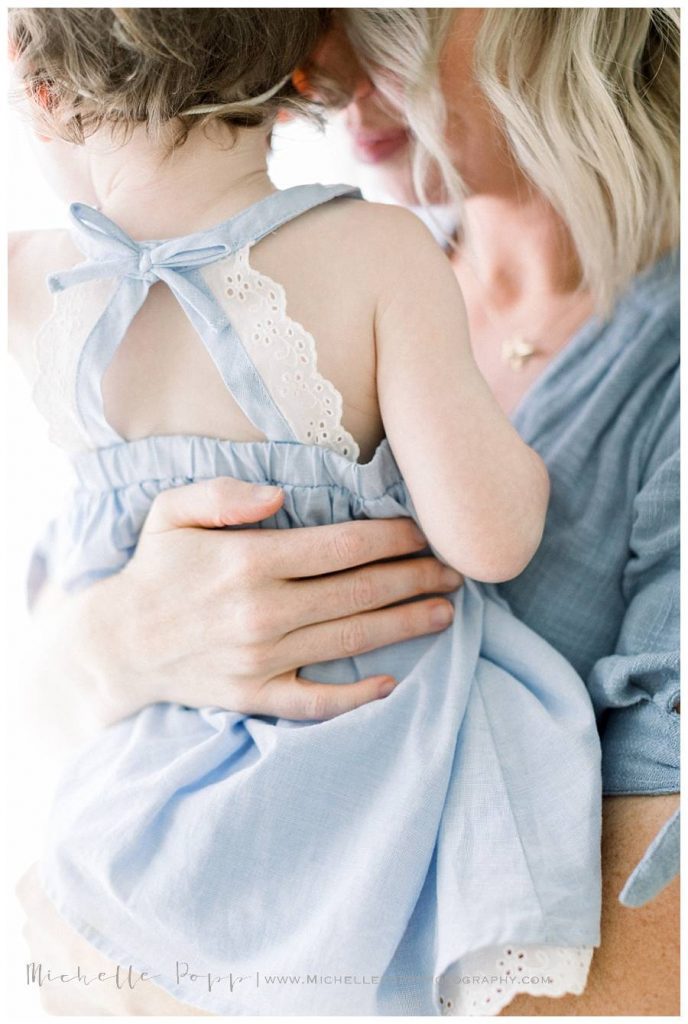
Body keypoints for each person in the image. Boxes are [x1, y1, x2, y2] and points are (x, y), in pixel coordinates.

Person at [14, 6, 679, 1016]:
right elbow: (46, 669)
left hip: (147, 887)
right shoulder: (379, 258)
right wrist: (113, 646)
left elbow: (655, 941)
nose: (319, 58)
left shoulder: (53, 286)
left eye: (376, 5)